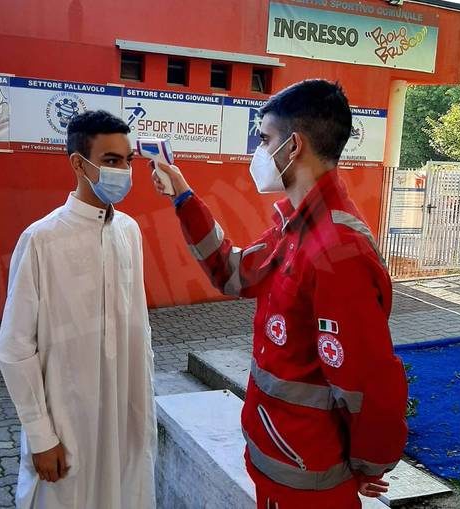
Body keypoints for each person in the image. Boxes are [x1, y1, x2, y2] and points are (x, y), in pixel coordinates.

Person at [152, 79, 408, 509]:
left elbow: (367, 381)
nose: (258, 152)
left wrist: (369, 464)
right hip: (278, 459)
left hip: (309, 478)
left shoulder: (336, 250)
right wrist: (183, 196)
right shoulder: (294, 229)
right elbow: (231, 272)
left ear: (293, 147)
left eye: (265, 139)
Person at [0, 110, 156, 509]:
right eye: (111, 161)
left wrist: (142, 417)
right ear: (78, 164)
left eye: (128, 161)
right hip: (66, 426)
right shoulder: (41, 239)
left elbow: (138, 330)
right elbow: (15, 348)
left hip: (123, 418)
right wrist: (39, 435)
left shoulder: (129, 232)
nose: (123, 172)